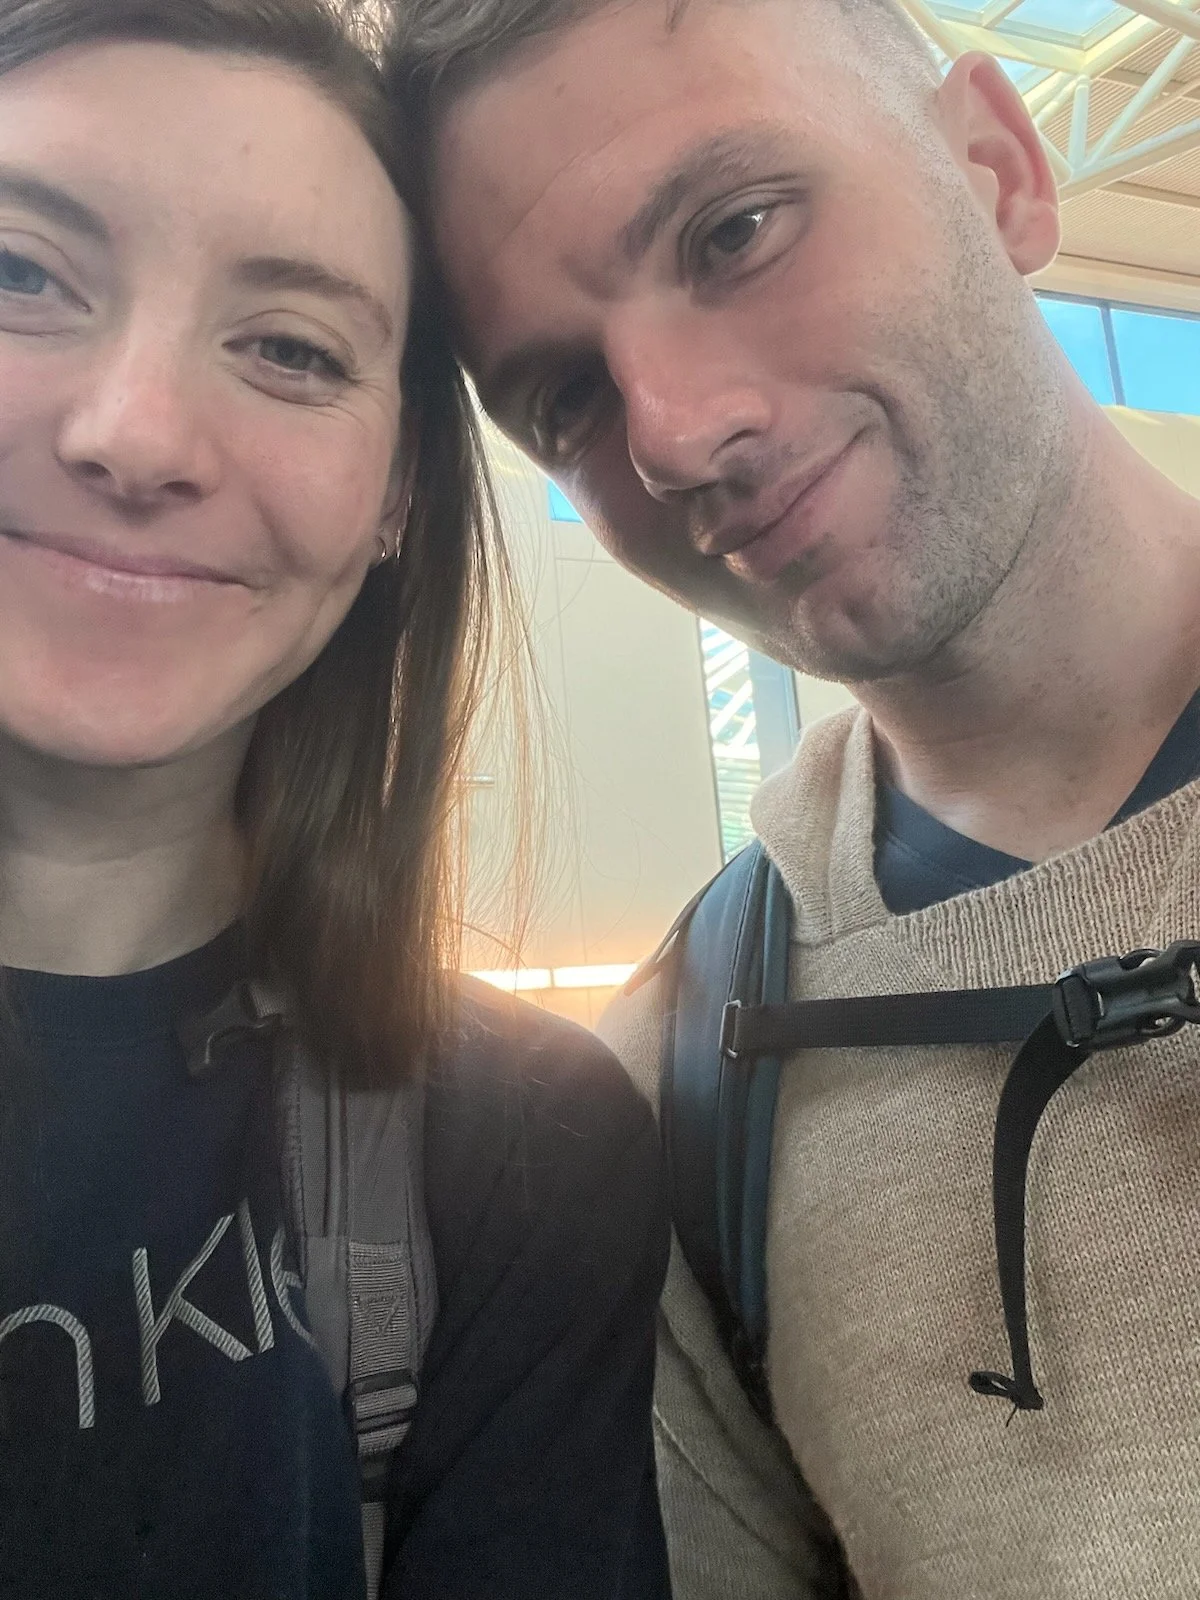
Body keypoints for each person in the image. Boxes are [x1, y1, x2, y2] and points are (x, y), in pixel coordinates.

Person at [393, 0, 1200, 1594]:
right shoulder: (679, 1095)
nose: (679, 432)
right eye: (566, 397)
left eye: (737, 231)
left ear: (999, 169)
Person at [0, 2, 673, 1596]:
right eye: (22, 275)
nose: (136, 437)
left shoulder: (521, 1156)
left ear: (396, 497)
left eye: (292, 350)